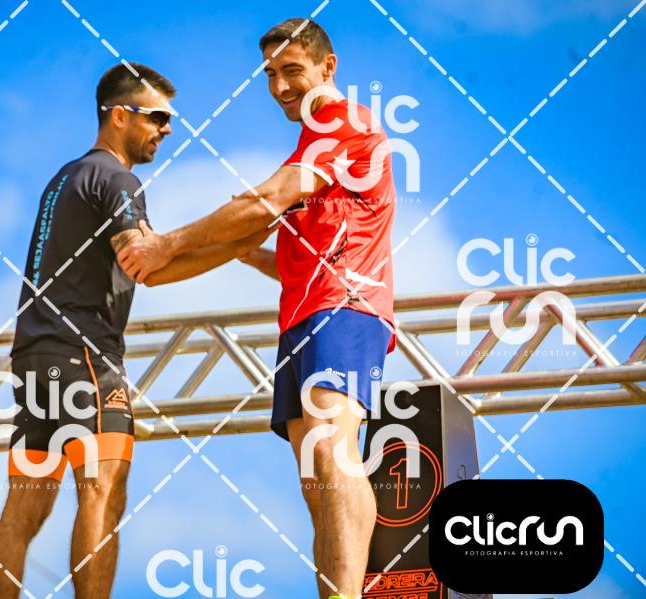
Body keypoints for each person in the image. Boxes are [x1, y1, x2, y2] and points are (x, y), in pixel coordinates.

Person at [117, 19, 397, 599]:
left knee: (332, 450)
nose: (279, 87)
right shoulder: (308, 145)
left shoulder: (345, 123)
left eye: (292, 71)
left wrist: (167, 244)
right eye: (270, 74)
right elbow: (282, 253)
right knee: (314, 482)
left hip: (346, 306)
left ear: (328, 67)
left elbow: (266, 199)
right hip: (301, 316)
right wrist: (188, 261)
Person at [0, 63, 269, 599]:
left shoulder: (64, 178)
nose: (167, 129)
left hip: (34, 357)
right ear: (119, 116)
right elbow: (147, 266)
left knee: (23, 509)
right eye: (157, 117)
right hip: (84, 355)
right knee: (103, 493)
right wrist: (236, 243)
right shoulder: (117, 179)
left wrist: (235, 248)